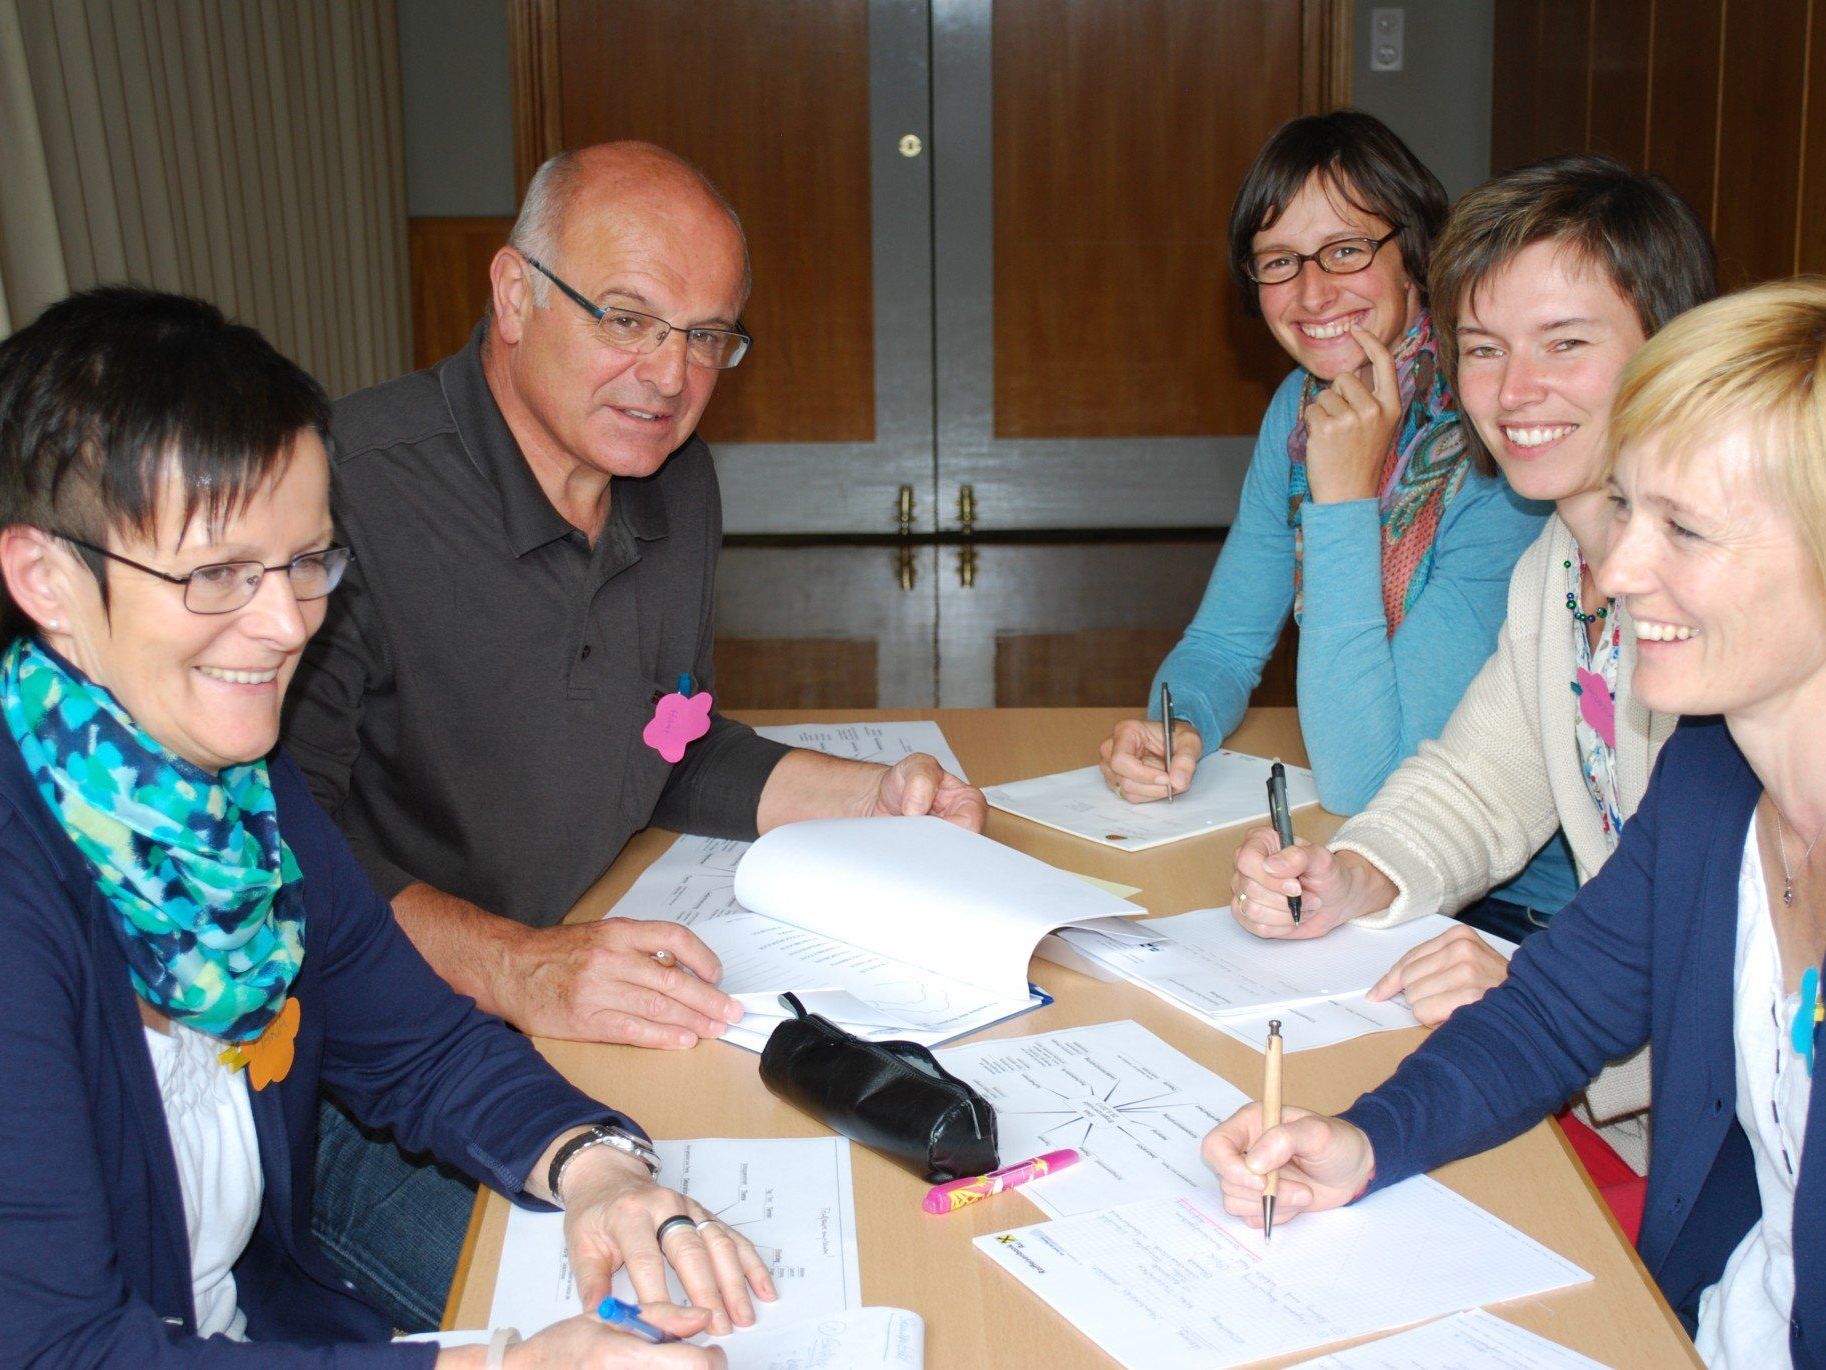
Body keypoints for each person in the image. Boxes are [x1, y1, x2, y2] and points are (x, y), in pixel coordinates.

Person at [281, 142, 984, 1328]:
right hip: (366, 1083)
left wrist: (868, 793)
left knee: (876, 1238)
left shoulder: (674, 482)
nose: (671, 373)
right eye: (627, 317)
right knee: (705, 1324)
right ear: (511, 294)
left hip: (589, 1007)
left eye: (708, 335)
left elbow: (669, 735)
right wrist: (517, 963)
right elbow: (280, 850)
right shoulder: (346, 493)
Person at [0, 287, 759, 1365]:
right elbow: (56, 1349)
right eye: (217, 574)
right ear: (45, 576)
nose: (281, 626)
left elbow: (415, 1040)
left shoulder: (236, 792)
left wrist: (598, 1167)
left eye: (307, 561)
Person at [1202, 280, 1826, 1368]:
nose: (1621, 569)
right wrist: (1359, 1141)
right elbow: (1548, 1015)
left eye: (1682, 527)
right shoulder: (1713, 782)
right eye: (1626, 510)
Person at [1225, 156, 1717, 1170]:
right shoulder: (1557, 567)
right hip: (1636, 1097)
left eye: (1564, 345)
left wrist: (1532, 980)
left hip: (1719, 1120)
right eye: (1482, 348)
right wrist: (1351, 873)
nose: (1513, 390)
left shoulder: (1721, 600)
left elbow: (1724, 921)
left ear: (1670, 353)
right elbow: (1481, 781)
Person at [1097, 112, 1560, 902]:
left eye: (1345, 251)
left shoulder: (1501, 434)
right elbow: (1223, 642)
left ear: (1414, 252)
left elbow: (1368, 777)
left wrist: (1342, 496)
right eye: (1279, 262)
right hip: (1370, 866)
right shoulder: (1304, 406)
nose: (1312, 293)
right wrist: (1181, 724)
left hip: (1514, 908)